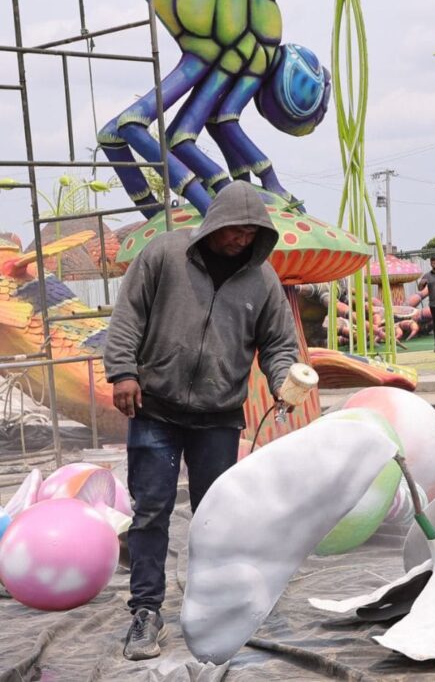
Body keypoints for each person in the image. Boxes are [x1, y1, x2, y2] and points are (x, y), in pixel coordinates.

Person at [103, 182, 301, 661]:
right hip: (156, 408)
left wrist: (282, 381)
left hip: (220, 415)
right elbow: (128, 314)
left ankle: (220, 604)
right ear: (215, 222)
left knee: (220, 514)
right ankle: (146, 612)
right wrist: (123, 372)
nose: (241, 239)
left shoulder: (262, 280)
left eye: (252, 233)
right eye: (235, 229)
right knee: (151, 509)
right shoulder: (164, 255)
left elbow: (278, 344)